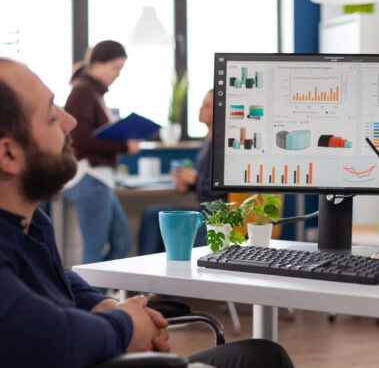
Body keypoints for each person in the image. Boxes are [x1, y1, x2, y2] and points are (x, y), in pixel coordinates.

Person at [0, 58, 294, 368]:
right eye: (50, 115)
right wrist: (126, 325)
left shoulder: (32, 225)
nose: (69, 122)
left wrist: (107, 304)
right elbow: (49, 339)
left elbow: (58, 279)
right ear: (8, 153)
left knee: (264, 355)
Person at [63, 40, 140, 264]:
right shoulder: (83, 92)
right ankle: (91, 300)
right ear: (97, 63)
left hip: (99, 179)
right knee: (94, 251)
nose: (117, 75)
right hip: (90, 178)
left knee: (122, 241)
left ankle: (99, 297)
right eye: (115, 68)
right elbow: (80, 140)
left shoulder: (93, 94)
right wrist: (124, 146)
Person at [137, 89, 225, 255]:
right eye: (201, 105)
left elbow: (222, 188)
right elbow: (204, 182)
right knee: (151, 214)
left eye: (206, 106)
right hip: (203, 210)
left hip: (215, 215)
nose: (201, 109)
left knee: (153, 216)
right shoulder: (206, 142)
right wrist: (188, 184)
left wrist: (195, 179)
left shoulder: (221, 145)